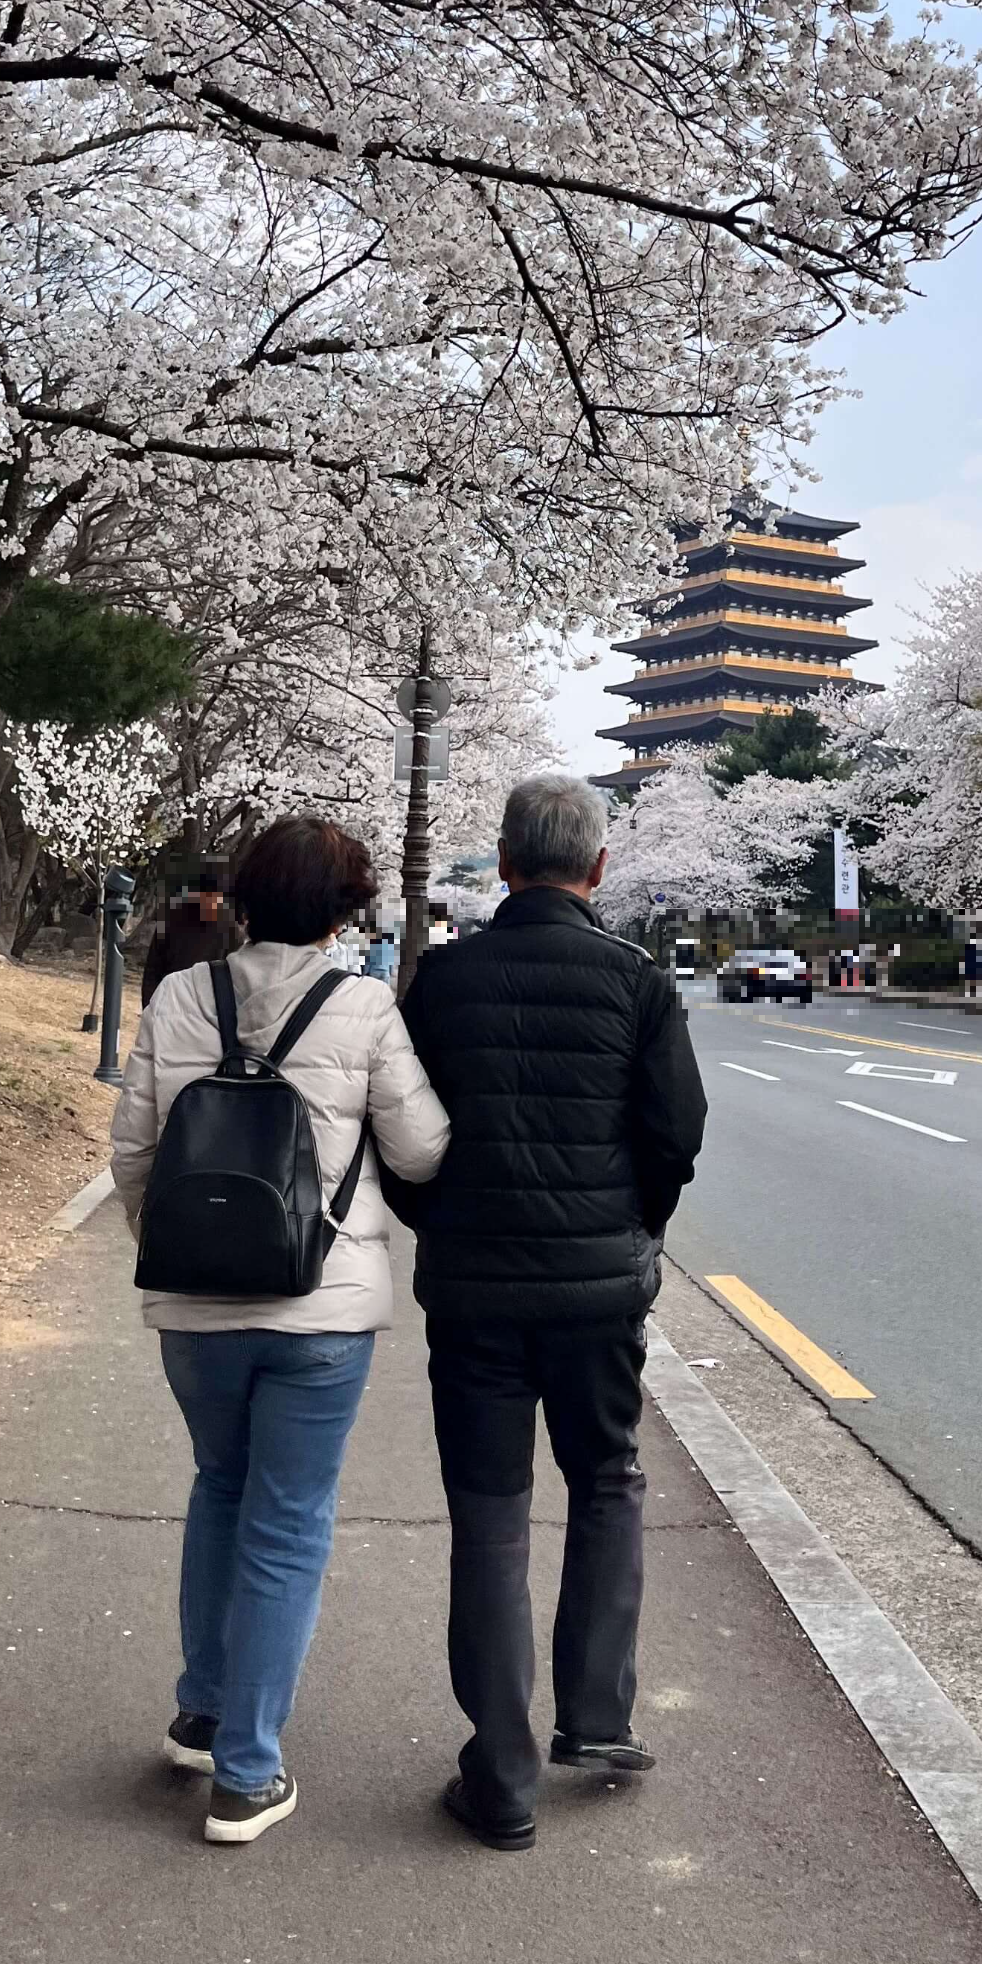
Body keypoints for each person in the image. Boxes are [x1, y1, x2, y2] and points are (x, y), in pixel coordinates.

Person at [110, 815, 449, 1847]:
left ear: (245, 897)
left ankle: (204, 1711)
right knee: (288, 1520)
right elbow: (424, 1151)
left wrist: (186, 1245)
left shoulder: (177, 996)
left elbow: (133, 1154)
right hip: (322, 1311)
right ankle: (247, 1774)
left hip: (194, 1312)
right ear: (347, 911)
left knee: (220, 1486)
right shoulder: (362, 1007)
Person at [389, 772, 706, 1852]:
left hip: (473, 1288)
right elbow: (675, 1136)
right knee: (608, 1480)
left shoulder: (442, 980)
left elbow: (404, 1136)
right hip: (598, 1293)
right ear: (600, 868)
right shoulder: (637, 981)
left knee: (490, 1514)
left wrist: (434, 1217)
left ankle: (503, 1772)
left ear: (506, 861)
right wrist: (631, 1228)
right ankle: (600, 1718)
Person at [140, 862, 236, 1005]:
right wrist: (150, 1007)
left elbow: (233, 979)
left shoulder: (229, 930)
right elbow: (152, 972)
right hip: (169, 1004)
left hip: (206, 1011)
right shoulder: (171, 923)